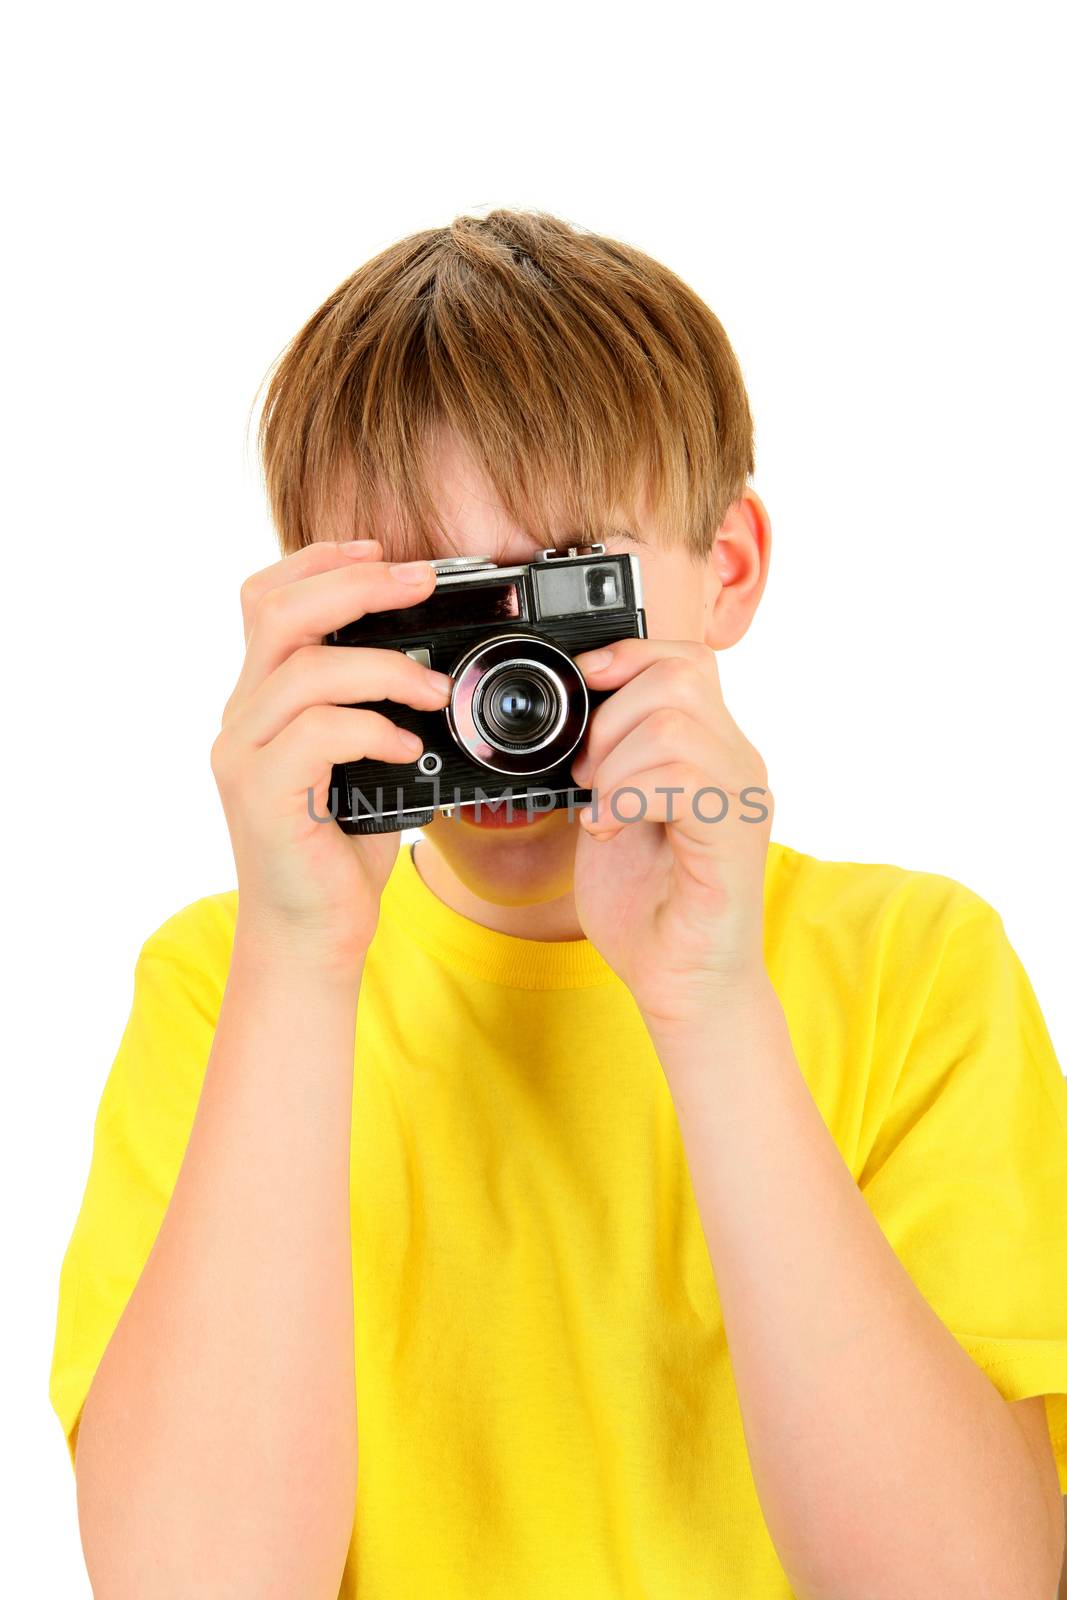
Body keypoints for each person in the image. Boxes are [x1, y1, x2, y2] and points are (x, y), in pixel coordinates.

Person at [49, 209, 1067, 1599]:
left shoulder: (912, 970)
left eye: (554, 595)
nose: (499, 686)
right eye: (427, 614)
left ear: (728, 571)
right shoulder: (230, 986)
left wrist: (709, 1003)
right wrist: (299, 956)